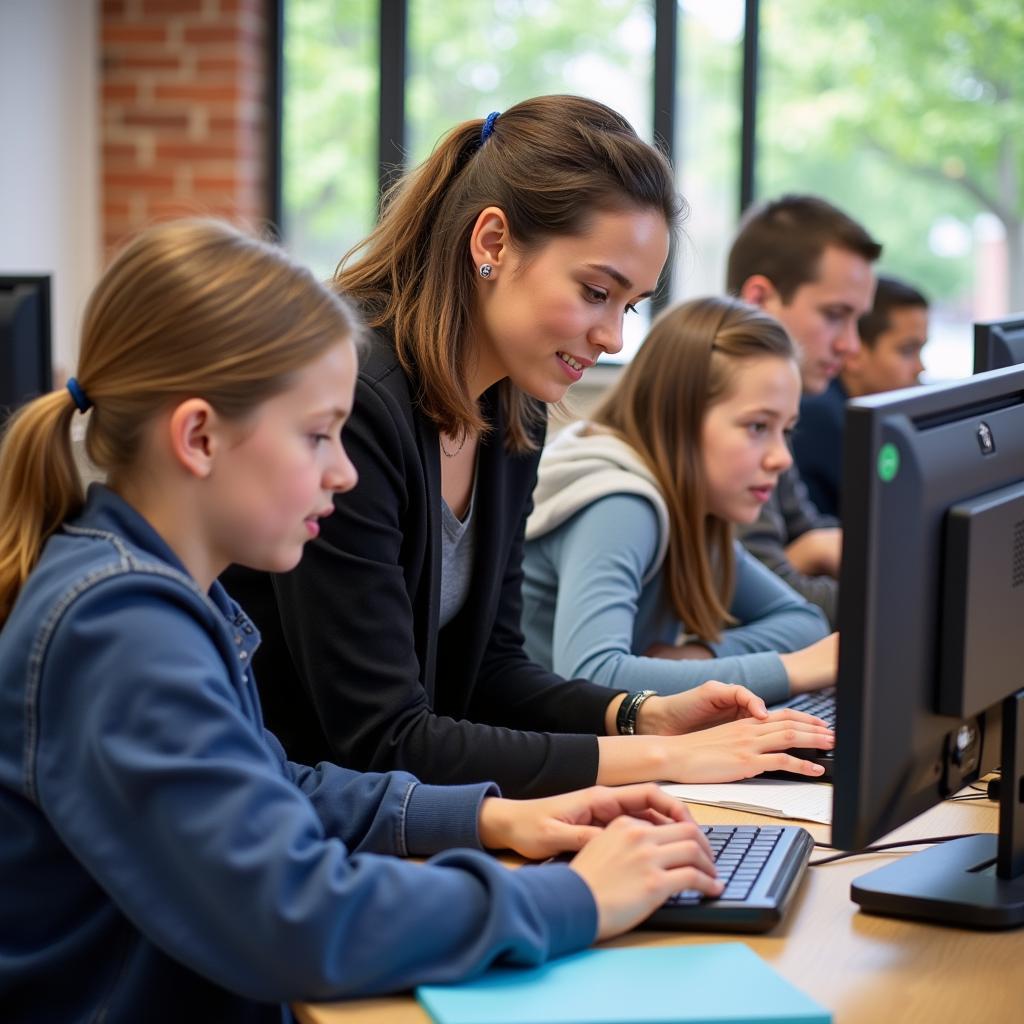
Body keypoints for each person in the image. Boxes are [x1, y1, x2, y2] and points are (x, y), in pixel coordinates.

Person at [0, 219, 732, 1022]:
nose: (343, 471)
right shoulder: (122, 630)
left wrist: (494, 817)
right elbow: (298, 919)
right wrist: (574, 898)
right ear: (200, 437)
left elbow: (274, 788)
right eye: (318, 436)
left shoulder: (169, 595)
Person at [224, 96, 834, 800]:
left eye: (629, 305)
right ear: (491, 244)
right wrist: (660, 761)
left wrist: (640, 716)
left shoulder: (511, 409)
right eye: (596, 291)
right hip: (300, 820)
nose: (613, 337)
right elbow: (381, 737)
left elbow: (492, 673)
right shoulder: (354, 402)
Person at [521, 296, 836, 706]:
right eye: (758, 426)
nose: (782, 458)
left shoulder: (692, 509)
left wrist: (699, 654)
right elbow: (592, 675)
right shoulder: (620, 505)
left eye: (786, 430)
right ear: (679, 418)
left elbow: (804, 622)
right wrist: (790, 671)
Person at [727, 194, 882, 627]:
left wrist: (811, 550)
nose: (850, 346)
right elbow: (769, 598)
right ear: (759, 299)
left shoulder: (775, 412)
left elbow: (810, 531)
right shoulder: (722, 413)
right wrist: (908, 601)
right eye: (835, 315)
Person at [792, 275, 929, 518]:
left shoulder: (866, 415)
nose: (920, 368)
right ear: (856, 355)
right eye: (907, 350)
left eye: (921, 349)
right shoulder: (822, 416)